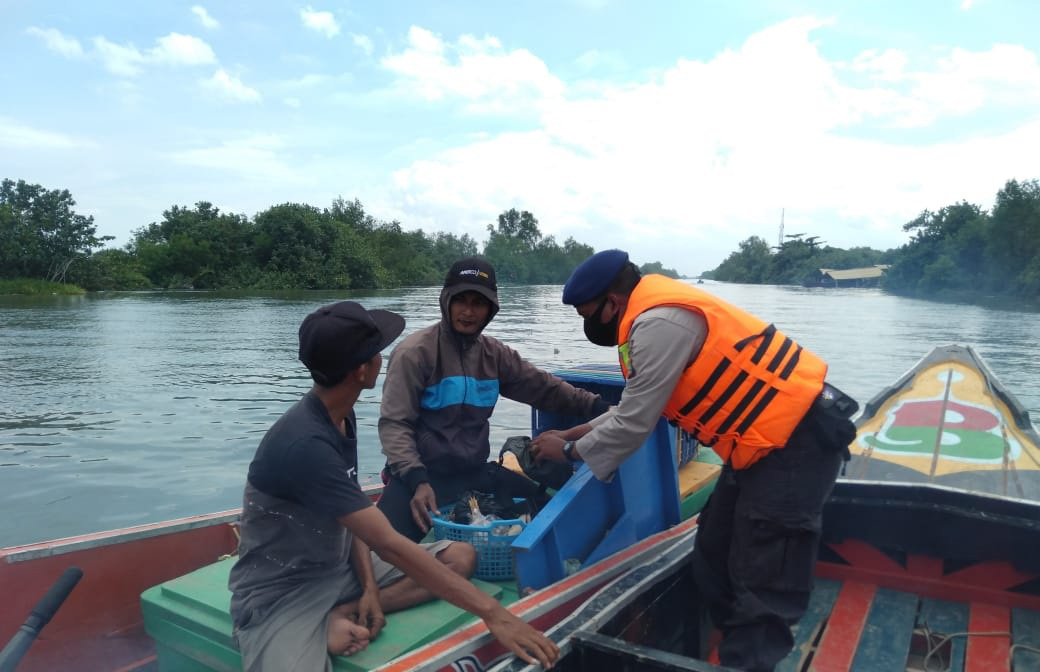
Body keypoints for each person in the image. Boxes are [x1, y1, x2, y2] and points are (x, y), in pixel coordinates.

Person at [530, 250, 857, 672]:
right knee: (713, 555)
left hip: (795, 445)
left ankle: (751, 658)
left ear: (612, 302)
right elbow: (635, 406)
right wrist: (570, 433)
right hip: (754, 449)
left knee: (765, 580)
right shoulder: (650, 314)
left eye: (587, 313)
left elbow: (634, 423)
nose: (587, 323)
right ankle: (731, 649)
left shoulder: (657, 324)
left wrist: (571, 453)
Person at [227, 300, 559, 671]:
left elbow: (349, 526)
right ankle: (306, 625)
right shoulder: (305, 444)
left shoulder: (339, 417)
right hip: (282, 592)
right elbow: (389, 544)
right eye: (377, 353)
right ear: (361, 370)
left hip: (334, 570)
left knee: (461, 556)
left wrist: (369, 590)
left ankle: (344, 612)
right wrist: (495, 614)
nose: (382, 359)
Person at [378, 257, 610, 542]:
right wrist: (417, 479)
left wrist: (599, 408)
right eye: (460, 300)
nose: (468, 311)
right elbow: (394, 425)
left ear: (490, 309)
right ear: (446, 300)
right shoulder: (415, 353)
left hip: (472, 472)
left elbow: (543, 387)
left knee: (549, 506)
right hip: (420, 477)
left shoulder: (494, 355)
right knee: (385, 547)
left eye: (478, 303)